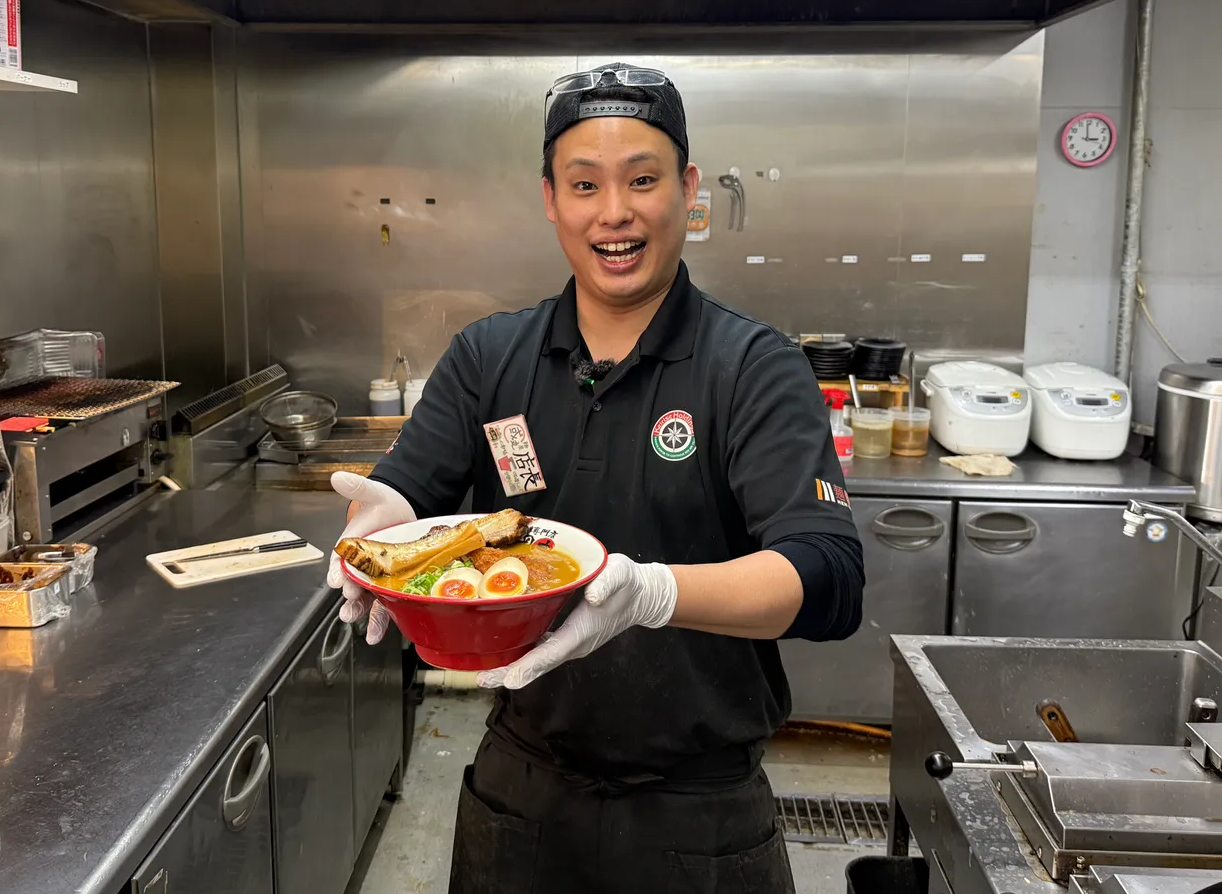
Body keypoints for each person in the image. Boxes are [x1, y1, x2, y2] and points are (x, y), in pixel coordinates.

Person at [327, 63, 864, 894]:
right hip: (521, 796)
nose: (614, 213)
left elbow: (828, 577)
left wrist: (654, 593)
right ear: (550, 197)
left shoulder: (752, 366)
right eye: (585, 184)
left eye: (643, 180)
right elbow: (412, 491)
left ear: (687, 190)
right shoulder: (489, 356)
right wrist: (380, 519)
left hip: (700, 815)